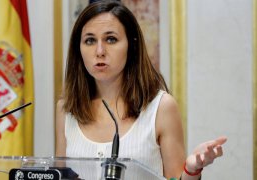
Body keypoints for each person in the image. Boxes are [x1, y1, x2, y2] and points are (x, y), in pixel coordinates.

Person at [55, 0, 227, 179]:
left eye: (111, 39)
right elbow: (59, 175)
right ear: (78, 49)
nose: (99, 51)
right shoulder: (66, 109)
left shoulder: (161, 108)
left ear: (132, 45)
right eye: (90, 40)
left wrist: (191, 170)